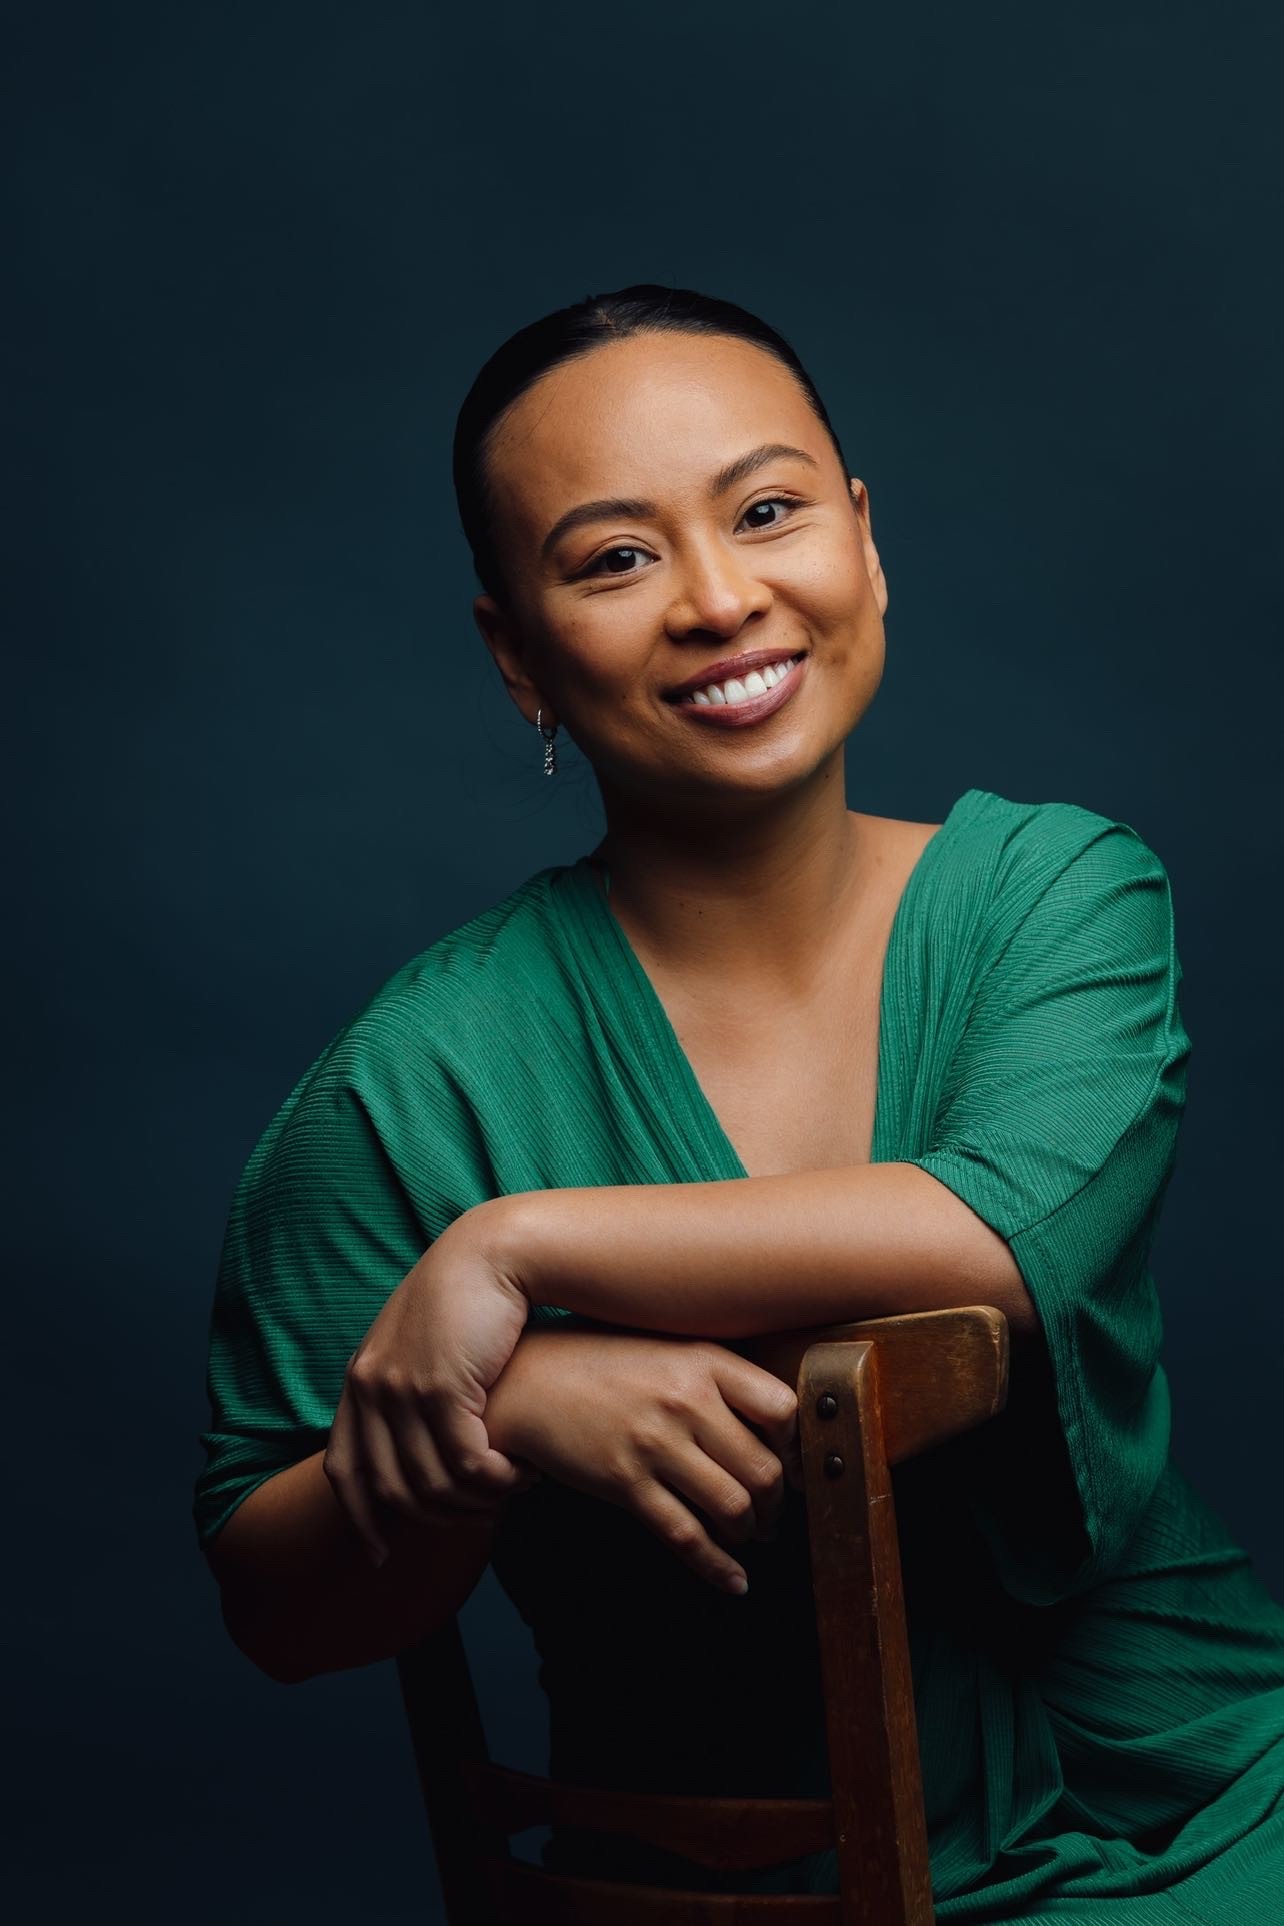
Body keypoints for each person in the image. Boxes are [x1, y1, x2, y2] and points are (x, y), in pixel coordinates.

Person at [195, 284, 1284, 1918]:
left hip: (1202, 1790)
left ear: (862, 539)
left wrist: (513, 1257)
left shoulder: (1059, 892)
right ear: (518, 655)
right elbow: (282, 1611)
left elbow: (993, 1233)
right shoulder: (413, 1078)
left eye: (768, 512)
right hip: (724, 1882)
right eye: (615, 557)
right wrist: (503, 1422)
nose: (720, 597)